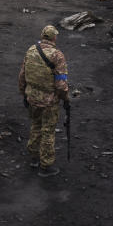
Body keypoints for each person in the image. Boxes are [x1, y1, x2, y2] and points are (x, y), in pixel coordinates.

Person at [18, 25, 69, 177]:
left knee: (35, 125)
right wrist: (65, 99)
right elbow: (61, 84)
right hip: (49, 101)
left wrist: (24, 94)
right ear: (54, 37)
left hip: (32, 97)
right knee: (48, 131)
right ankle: (46, 166)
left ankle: (34, 158)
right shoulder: (57, 56)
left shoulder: (31, 50)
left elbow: (22, 75)